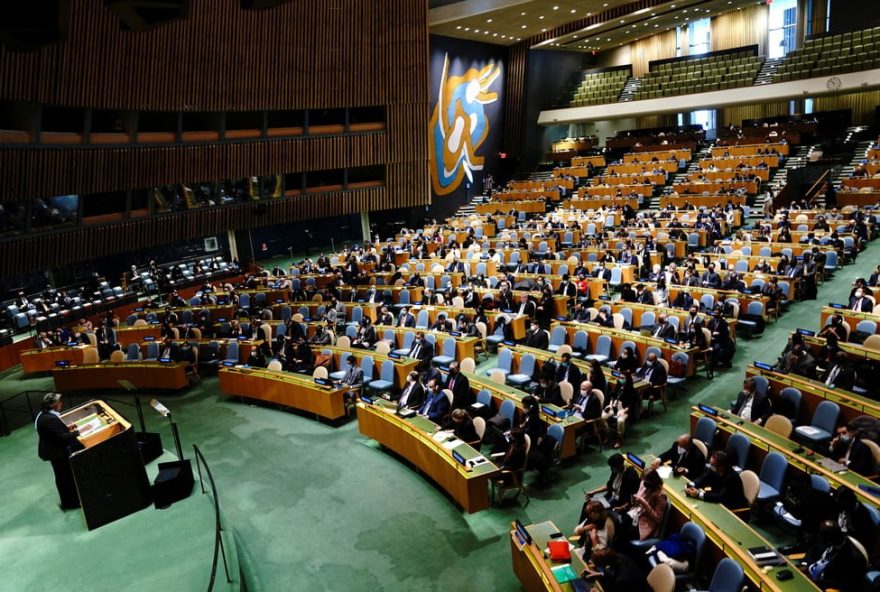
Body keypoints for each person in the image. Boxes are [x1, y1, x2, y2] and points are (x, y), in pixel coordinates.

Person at [36, 393, 84, 510]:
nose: (61, 404)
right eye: (59, 402)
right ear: (54, 405)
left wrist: (68, 429)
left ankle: (70, 501)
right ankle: (70, 503)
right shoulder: (49, 419)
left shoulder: (44, 415)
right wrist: (79, 431)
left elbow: (56, 432)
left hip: (55, 450)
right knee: (65, 478)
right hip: (56, 452)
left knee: (63, 477)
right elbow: (61, 437)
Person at [799, 521, 867, 591]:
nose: (822, 539)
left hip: (827, 585)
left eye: (825, 539)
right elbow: (813, 549)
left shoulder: (854, 558)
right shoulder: (825, 535)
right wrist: (805, 564)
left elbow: (847, 582)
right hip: (811, 571)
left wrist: (815, 579)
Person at [582, 547, 650, 592]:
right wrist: (600, 574)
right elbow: (613, 572)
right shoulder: (620, 557)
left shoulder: (623, 580)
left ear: (606, 565)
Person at [602, 374, 636, 449]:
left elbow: (631, 404)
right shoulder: (618, 386)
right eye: (620, 377)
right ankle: (607, 434)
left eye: (623, 378)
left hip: (624, 409)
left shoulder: (632, 390)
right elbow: (613, 396)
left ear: (628, 379)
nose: (620, 379)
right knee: (603, 416)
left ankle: (619, 438)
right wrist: (609, 405)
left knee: (620, 420)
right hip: (614, 406)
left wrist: (624, 411)